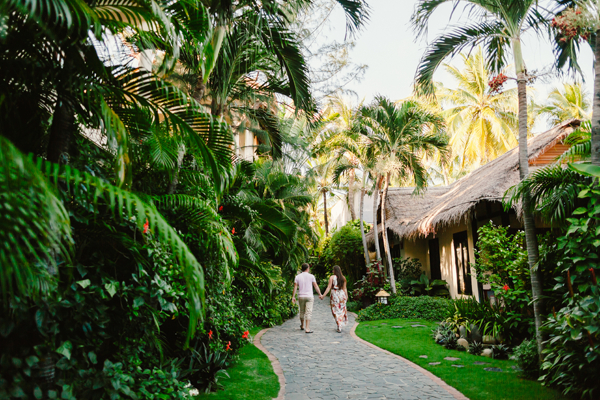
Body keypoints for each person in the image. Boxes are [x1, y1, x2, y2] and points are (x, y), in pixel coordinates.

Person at [291, 263, 322, 333]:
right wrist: (320, 294)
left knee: (302, 311)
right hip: (309, 296)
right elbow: (316, 286)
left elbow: (295, 287)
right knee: (308, 312)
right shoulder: (311, 276)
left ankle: (302, 325)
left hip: (301, 296)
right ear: (307, 268)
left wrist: (293, 296)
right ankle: (307, 328)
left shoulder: (297, 277)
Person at [319, 265, 348, 333]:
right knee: (341, 310)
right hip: (342, 294)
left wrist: (323, 295)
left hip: (334, 294)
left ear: (334, 271)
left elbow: (329, 287)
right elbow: (345, 288)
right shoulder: (343, 278)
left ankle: (339, 324)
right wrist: (346, 296)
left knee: (334, 310)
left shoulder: (332, 277)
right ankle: (340, 324)